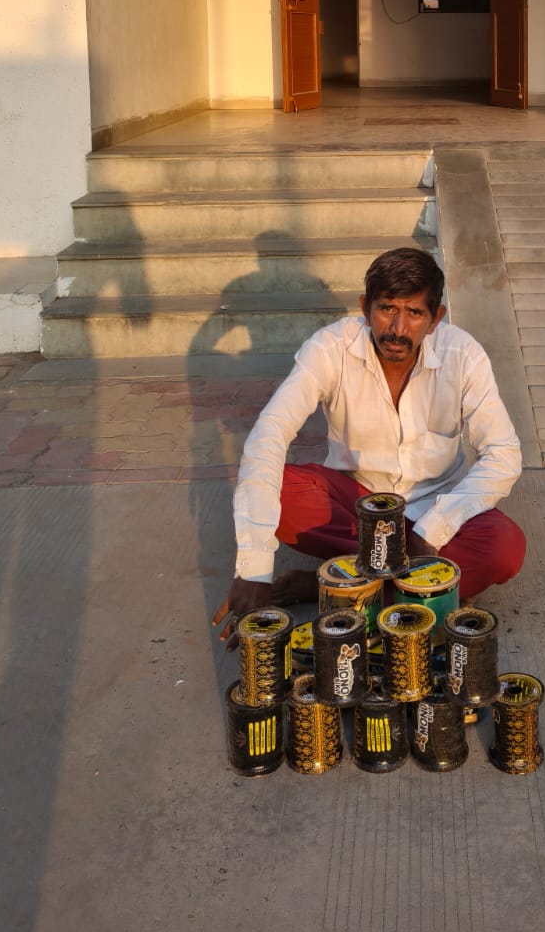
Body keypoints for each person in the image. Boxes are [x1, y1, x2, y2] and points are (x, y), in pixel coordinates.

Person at [212, 246, 525, 645]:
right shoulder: (330, 348)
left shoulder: (463, 355)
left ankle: (335, 589)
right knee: (283, 490)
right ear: (365, 307)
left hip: (437, 506)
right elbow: (269, 435)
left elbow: (503, 455)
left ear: (435, 319)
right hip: (358, 507)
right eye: (386, 309)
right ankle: (427, 590)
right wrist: (254, 570)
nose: (397, 328)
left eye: (414, 313)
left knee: (504, 549)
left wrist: (434, 527)